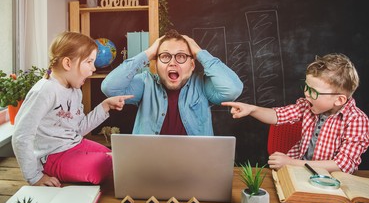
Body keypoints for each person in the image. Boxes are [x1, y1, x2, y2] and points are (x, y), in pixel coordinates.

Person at [12, 31, 132, 187]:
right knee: (102, 167)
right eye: (89, 62)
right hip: (52, 156)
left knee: (118, 155)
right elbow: (21, 136)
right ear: (68, 63)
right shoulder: (44, 91)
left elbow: (79, 129)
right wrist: (34, 176)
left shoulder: (75, 90)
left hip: (75, 144)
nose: (93, 68)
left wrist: (105, 106)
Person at [222, 53, 369, 174]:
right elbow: (278, 115)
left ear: (339, 100)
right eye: (306, 87)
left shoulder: (356, 121)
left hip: (331, 180)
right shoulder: (307, 106)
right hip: (298, 173)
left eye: (313, 91)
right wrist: (252, 109)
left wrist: (291, 162)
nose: (306, 93)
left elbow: (342, 165)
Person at [101, 29, 243, 135]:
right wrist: (149, 52)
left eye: (181, 56)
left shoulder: (202, 84)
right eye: (165, 56)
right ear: (156, 65)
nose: (172, 63)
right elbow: (110, 88)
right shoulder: (146, 83)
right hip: (150, 166)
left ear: (192, 65)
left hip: (194, 166)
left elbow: (232, 90)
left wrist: (199, 52)